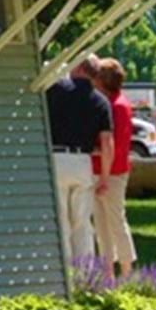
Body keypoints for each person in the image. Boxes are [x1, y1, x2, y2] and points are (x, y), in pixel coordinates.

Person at [44, 55, 113, 271]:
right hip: (83, 161)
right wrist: (104, 177)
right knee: (82, 223)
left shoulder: (56, 91)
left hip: (56, 158)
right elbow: (107, 143)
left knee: (61, 221)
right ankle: (86, 275)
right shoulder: (100, 101)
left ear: (80, 68)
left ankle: (65, 274)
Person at [90, 58, 137, 276]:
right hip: (106, 171)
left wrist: (104, 179)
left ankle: (126, 271)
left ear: (102, 80)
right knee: (102, 224)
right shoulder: (116, 102)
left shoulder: (116, 106)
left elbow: (113, 145)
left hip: (111, 172)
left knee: (116, 221)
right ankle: (107, 273)